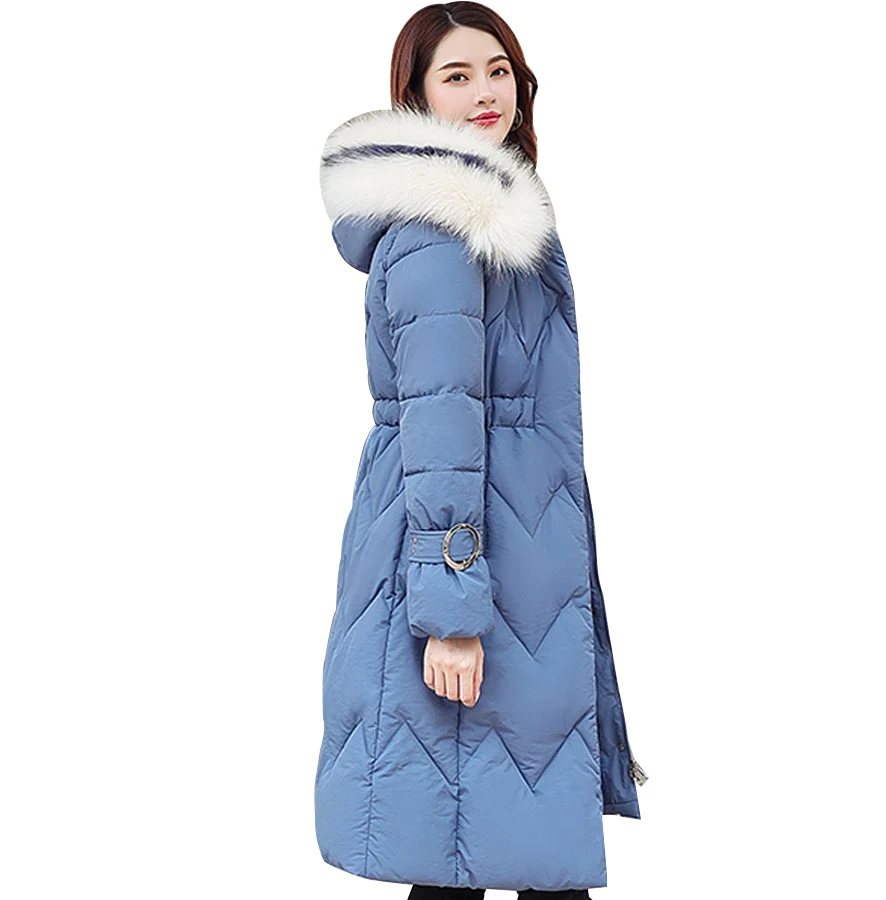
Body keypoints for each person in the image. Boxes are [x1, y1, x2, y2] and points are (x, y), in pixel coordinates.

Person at [314, 3, 647, 897]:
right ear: (417, 98)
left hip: (517, 556)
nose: (486, 91)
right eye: (456, 76)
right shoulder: (441, 230)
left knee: (476, 836)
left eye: (498, 69)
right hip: (470, 563)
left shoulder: (494, 218)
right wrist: (451, 612)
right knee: (469, 842)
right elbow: (440, 425)